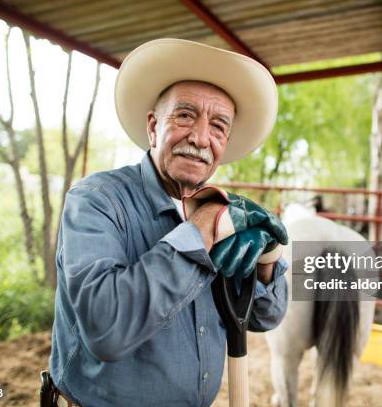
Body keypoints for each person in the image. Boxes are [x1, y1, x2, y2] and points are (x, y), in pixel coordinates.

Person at [48, 38, 289, 407]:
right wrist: (203, 231)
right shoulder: (96, 199)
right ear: (152, 126)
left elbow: (264, 317)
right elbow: (106, 328)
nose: (200, 137)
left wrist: (268, 262)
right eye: (185, 115)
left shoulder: (222, 211)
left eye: (219, 126)